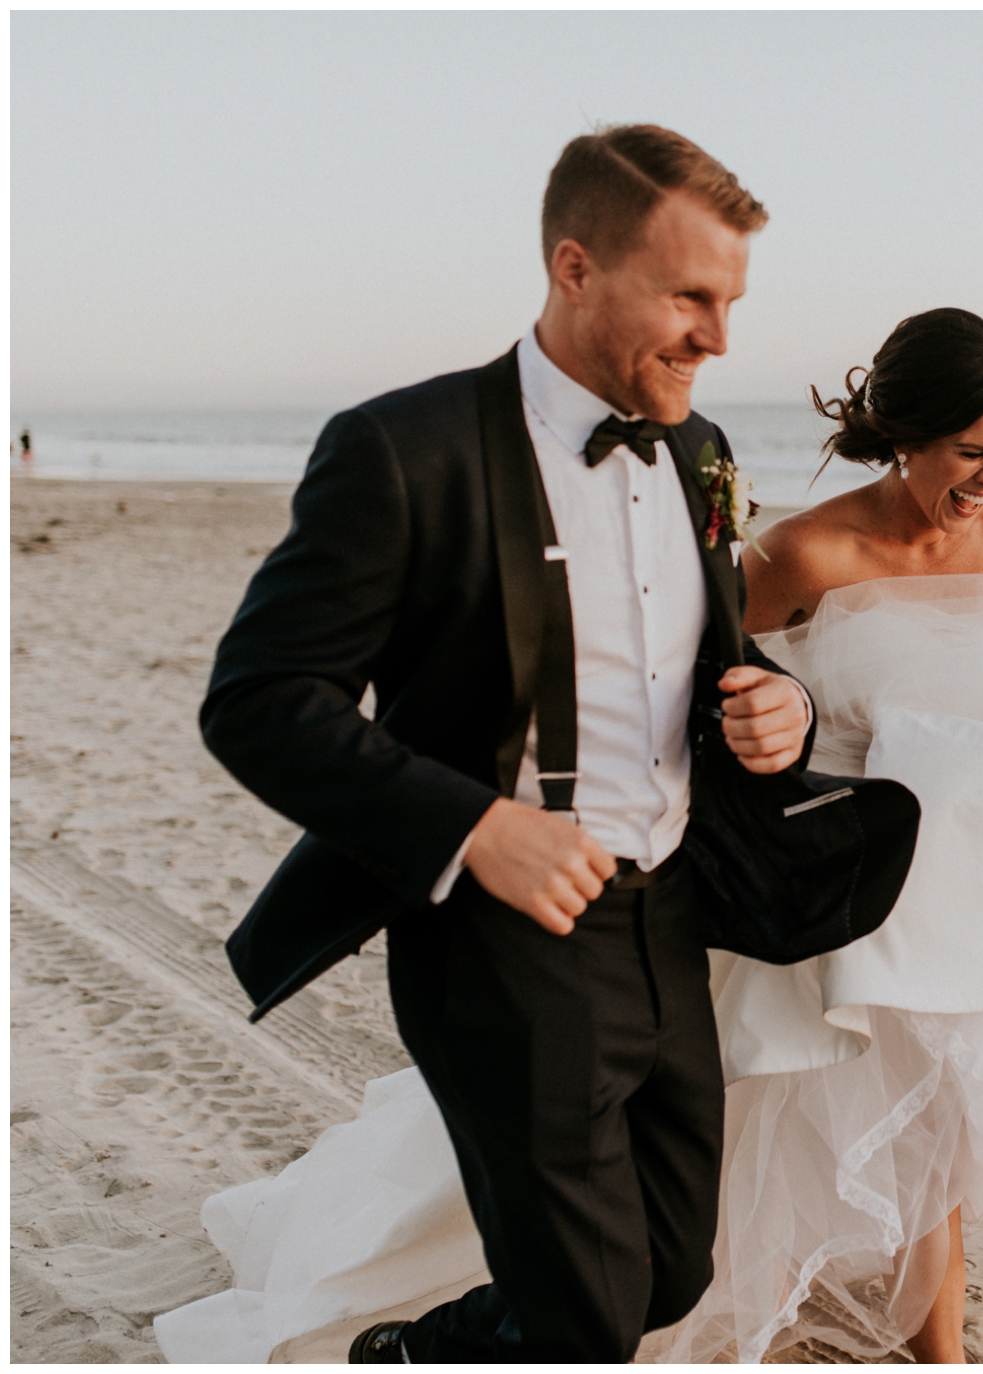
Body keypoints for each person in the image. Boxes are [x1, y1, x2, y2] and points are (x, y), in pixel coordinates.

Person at [156, 307, 983, 1365]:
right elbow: (693, 675)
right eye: (967, 455)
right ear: (902, 438)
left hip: (965, 878)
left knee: (946, 1114)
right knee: (730, 1124)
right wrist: (777, 710)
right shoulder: (804, 552)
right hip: (836, 876)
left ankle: (933, 1349)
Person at [167, 125, 816, 1364]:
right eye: (689, 296)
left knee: (668, 1272)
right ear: (575, 269)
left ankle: (414, 1355)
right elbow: (258, 699)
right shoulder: (402, 451)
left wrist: (771, 703)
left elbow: (707, 648)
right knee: (583, 1321)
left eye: (730, 302)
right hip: (499, 941)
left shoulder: (701, 452)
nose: (718, 338)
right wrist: (477, 827)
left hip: (669, 911)